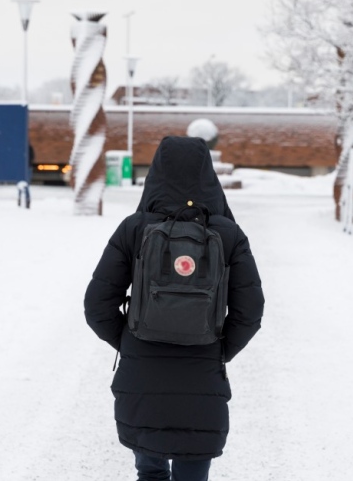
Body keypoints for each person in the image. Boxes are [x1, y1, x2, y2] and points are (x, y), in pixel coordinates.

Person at [84, 136, 264, 481]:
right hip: (202, 370)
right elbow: (250, 311)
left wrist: (129, 341)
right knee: (193, 468)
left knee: (149, 471)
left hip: (142, 373)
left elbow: (97, 305)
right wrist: (221, 350)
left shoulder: (134, 229)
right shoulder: (228, 233)